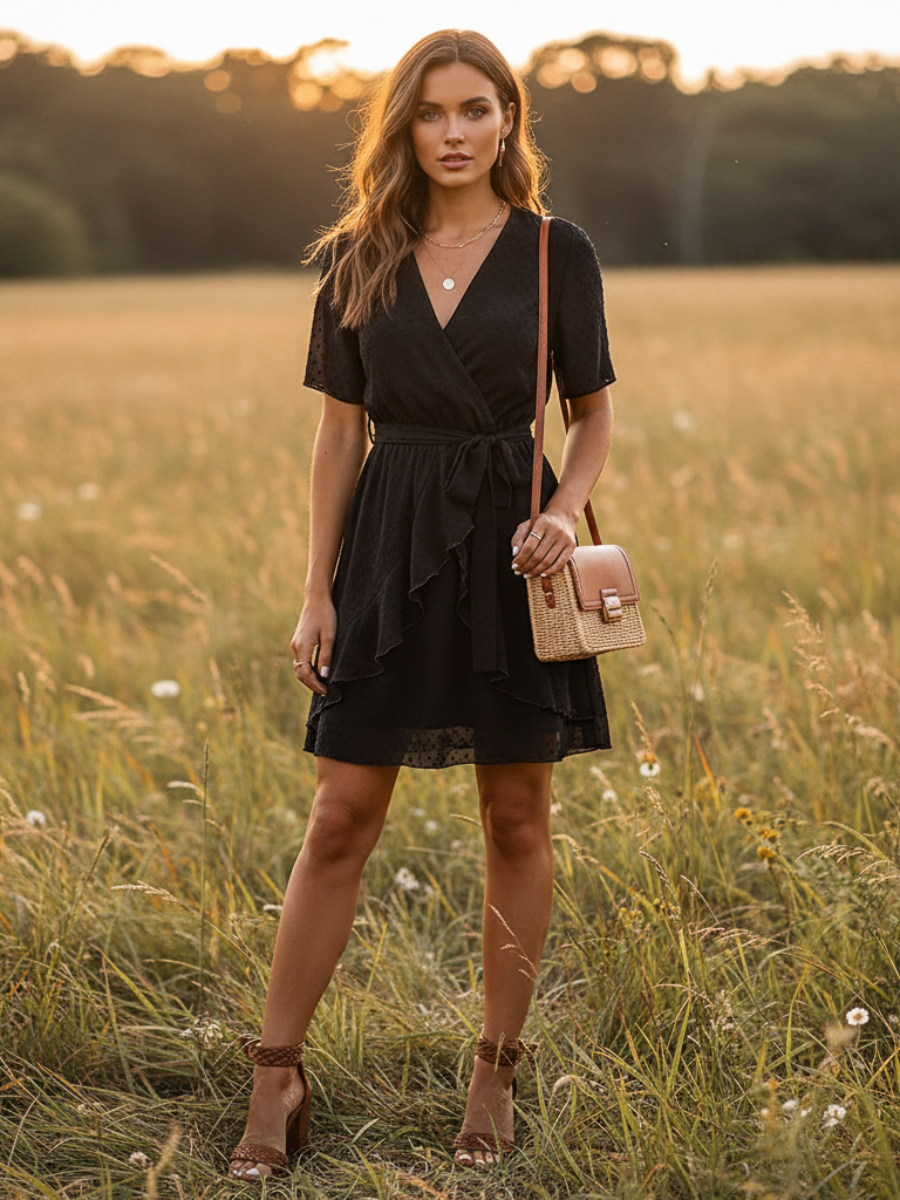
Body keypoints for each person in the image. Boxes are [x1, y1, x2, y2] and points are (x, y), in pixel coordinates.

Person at [228, 27, 616, 1182]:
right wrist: (315, 594)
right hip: (389, 550)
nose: (454, 133)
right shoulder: (359, 255)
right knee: (341, 813)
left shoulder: (557, 253)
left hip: (516, 550)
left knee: (516, 818)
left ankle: (495, 1072)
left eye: (475, 110)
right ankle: (276, 1074)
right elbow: (339, 432)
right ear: (401, 127)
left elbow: (589, 415)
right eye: (431, 113)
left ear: (509, 120)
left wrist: (566, 506)